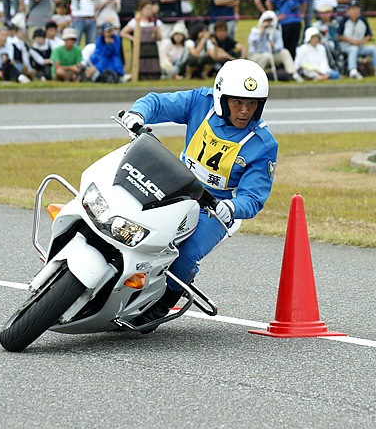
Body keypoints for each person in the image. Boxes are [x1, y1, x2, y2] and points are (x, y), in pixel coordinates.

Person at [119, 58, 278, 333]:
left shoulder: (263, 144)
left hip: (215, 207)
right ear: (220, 96)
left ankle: (164, 303)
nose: (244, 111)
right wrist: (138, 114)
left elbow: (253, 197)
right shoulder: (200, 102)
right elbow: (157, 102)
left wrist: (231, 207)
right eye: (237, 102)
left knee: (186, 252)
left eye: (252, 104)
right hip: (174, 184)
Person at [336, 0, 376, 79]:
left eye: (357, 9)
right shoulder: (344, 21)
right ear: (348, 11)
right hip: (346, 47)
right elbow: (339, 36)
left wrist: (362, 41)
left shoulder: (363, 20)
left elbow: (369, 35)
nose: (355, 11)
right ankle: (353, 71)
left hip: (360, 46)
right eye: (352, 9)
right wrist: (352, 41)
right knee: (353, 49)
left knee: (373, 48)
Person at [247, 10, 300, 82]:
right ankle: (256, 77)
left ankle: (292, 74)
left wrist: (273, 46)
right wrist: (261, 34)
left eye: (270, 21)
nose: (268, 23)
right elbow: (253, 44)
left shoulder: (276, 32)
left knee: (284, 52)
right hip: (257, 56)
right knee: (266, 56)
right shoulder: (255, 31)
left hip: (272, 55)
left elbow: (280, 46)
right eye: (267, 20)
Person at [119, 0, 164, 81]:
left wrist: (156, 32)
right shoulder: (135, 22)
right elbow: (123, 32)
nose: (149, 11)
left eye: (150, 9)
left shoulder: (156, 22)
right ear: (141, 9)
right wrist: (134, 39)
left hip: (152, 49)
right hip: (141, 49)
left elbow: (160, 38)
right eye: (146, 9)